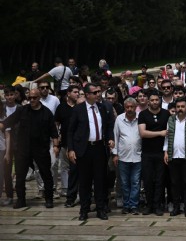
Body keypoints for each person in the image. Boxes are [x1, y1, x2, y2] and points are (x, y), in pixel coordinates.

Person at [0, 89, 59, 209]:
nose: (32, 100)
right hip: (23, 148)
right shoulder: (22, 110)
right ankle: (21, 200)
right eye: (30, 98)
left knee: (46, 174)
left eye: (34, 98)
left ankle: (49, 199)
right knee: (20, 175)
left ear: (39, 98)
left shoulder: (46, 113)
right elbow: (8, 122)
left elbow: (54, 131)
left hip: (40, 148)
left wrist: (56, 146)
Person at [67, 83, 114, 220]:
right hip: (84, 149)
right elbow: (70, 131)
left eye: (99, 92)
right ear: (87, 95)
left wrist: (110, 138)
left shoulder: (102, 107)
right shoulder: (78, 109)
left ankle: (101, 208)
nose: (98, 94)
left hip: (99, 148)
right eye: (95, 92)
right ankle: (84, 209)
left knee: (100, 180)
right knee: (85, 181)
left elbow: (108, 125)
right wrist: (71, 149)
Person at [163, 97, 186, 217]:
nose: (180, 109)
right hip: (173, 156)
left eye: (182, 107)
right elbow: (167, 137)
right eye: (178, 107)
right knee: (174, 183)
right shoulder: (170, 120)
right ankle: (176, 207)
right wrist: (165, 152)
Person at [138, 90, 169, 216]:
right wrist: (159, 133)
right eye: (152, 100)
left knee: (160, 180)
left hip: (161, 152)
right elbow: (143, 133)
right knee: (148, 179)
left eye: (157, 100)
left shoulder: (166, 114)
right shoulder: (143, 114)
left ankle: (157, 205)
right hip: (147, 152)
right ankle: (149, 204)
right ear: (148, 101)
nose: (155, 102)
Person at [112, 98, 142, 215]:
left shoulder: (140, 118)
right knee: (124, 182)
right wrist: (115, 154)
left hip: (138, 156)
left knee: (135, 182)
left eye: (132, 107)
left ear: (136, 107)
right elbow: (115, 136)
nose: (129, 109)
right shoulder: (119, 119)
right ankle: (126, 205)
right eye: (127, 107)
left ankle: (134, 205)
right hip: (123, 156)